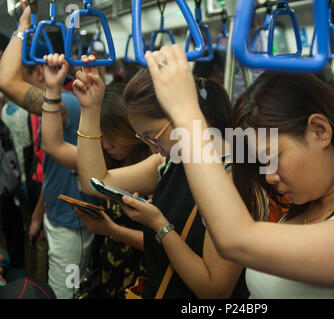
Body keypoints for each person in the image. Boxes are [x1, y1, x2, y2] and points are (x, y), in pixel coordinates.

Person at [131, 45, 334, 299]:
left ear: (319, 131)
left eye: (274, 157)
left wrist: (186, 115)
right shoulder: (300, 212)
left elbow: (235, 240)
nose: (269, 176)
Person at [73, 55, 249, 299]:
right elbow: (94, 181)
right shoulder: (171, 161)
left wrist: (159, 225)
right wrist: (90, 109)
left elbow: (214, 290)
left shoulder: (232, 177)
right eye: (142, 139)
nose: (152, 148)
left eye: (152, 136)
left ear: (181, 113)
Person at [0, 5, 98, 298]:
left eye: (26, 72)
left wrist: (23, 24)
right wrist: (39, 214)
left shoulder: (66, 105)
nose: (24, 80)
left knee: (65, 293)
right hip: (59, 214)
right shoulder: (60, 107)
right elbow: (54, 165)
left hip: (73, 223)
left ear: (40, 70)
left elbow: (6, 80)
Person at [40, 53, 150, 298]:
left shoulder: (153, 167)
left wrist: (111, 229)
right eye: (101, 136)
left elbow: (165, 242)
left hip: (143, 275)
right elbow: (53, 145)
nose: (106, 144)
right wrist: (52, 89)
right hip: (109, 267)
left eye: (112, 136)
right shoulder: (105, 161)